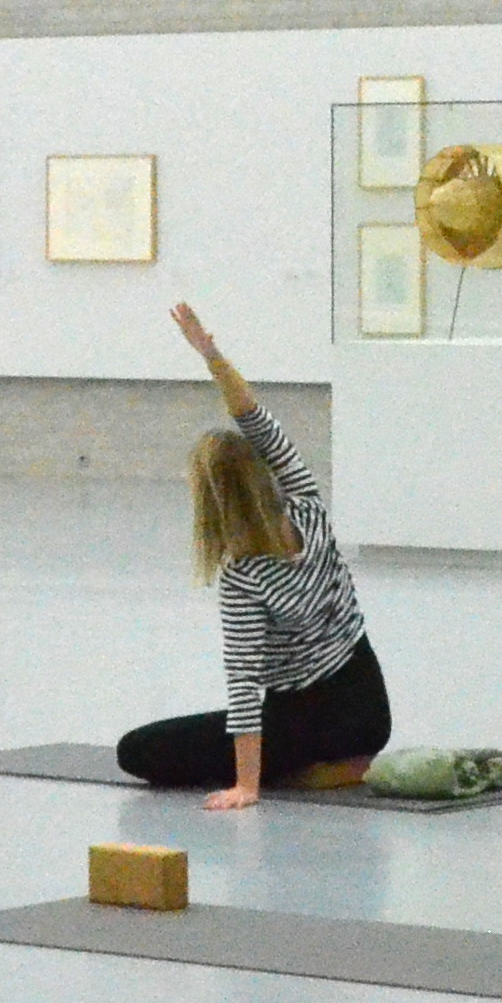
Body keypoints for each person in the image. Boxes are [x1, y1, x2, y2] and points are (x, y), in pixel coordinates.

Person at [116, 301, 387, 808]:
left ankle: (309, 766)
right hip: (369, 711)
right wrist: (210, 354)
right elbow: (252, 416)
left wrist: (247, 786)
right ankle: (346, 761)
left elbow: (243, 685)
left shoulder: (244, 576)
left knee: (136, 749)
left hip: (308, 724)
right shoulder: (308, 506)